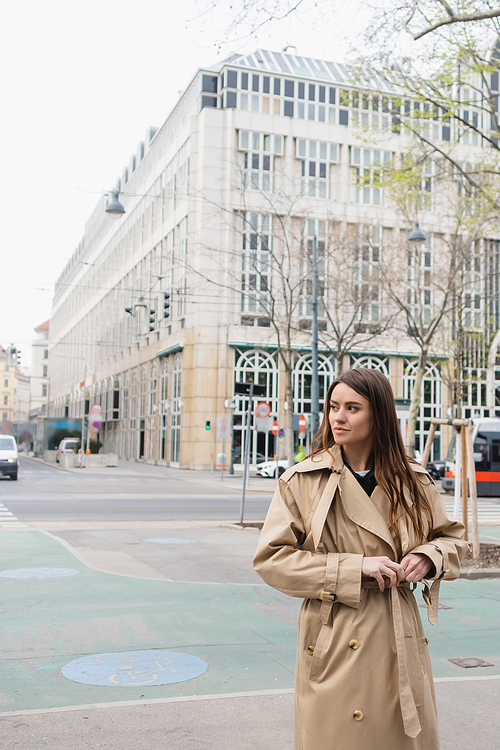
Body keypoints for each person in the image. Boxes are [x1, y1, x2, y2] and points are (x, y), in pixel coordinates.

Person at [253, 368, 469, 750]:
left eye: (353, 408)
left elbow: (452, 539)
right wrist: (354, 567)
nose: (338, 417)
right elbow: (272, 560)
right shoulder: (303, 481)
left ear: (379, 416)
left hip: (396, 633)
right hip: (334, 632)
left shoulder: (413, 480)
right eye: (334, 406)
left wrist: (427, 556)